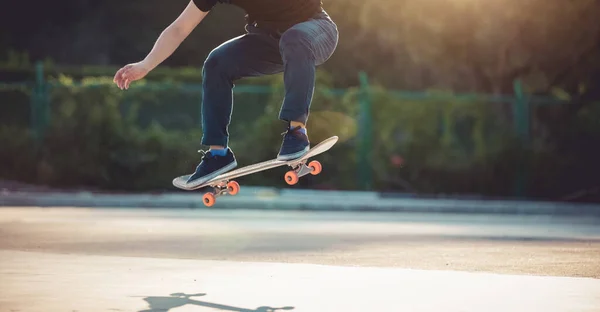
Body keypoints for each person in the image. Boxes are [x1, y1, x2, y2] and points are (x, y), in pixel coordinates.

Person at [113, 0, 339, 187]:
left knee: (294, 39)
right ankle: (218, 154)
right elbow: (180, 27)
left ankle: (297, 131)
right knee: (217, 62)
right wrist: (146, 64)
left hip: (315, 30)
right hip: (268, 40)